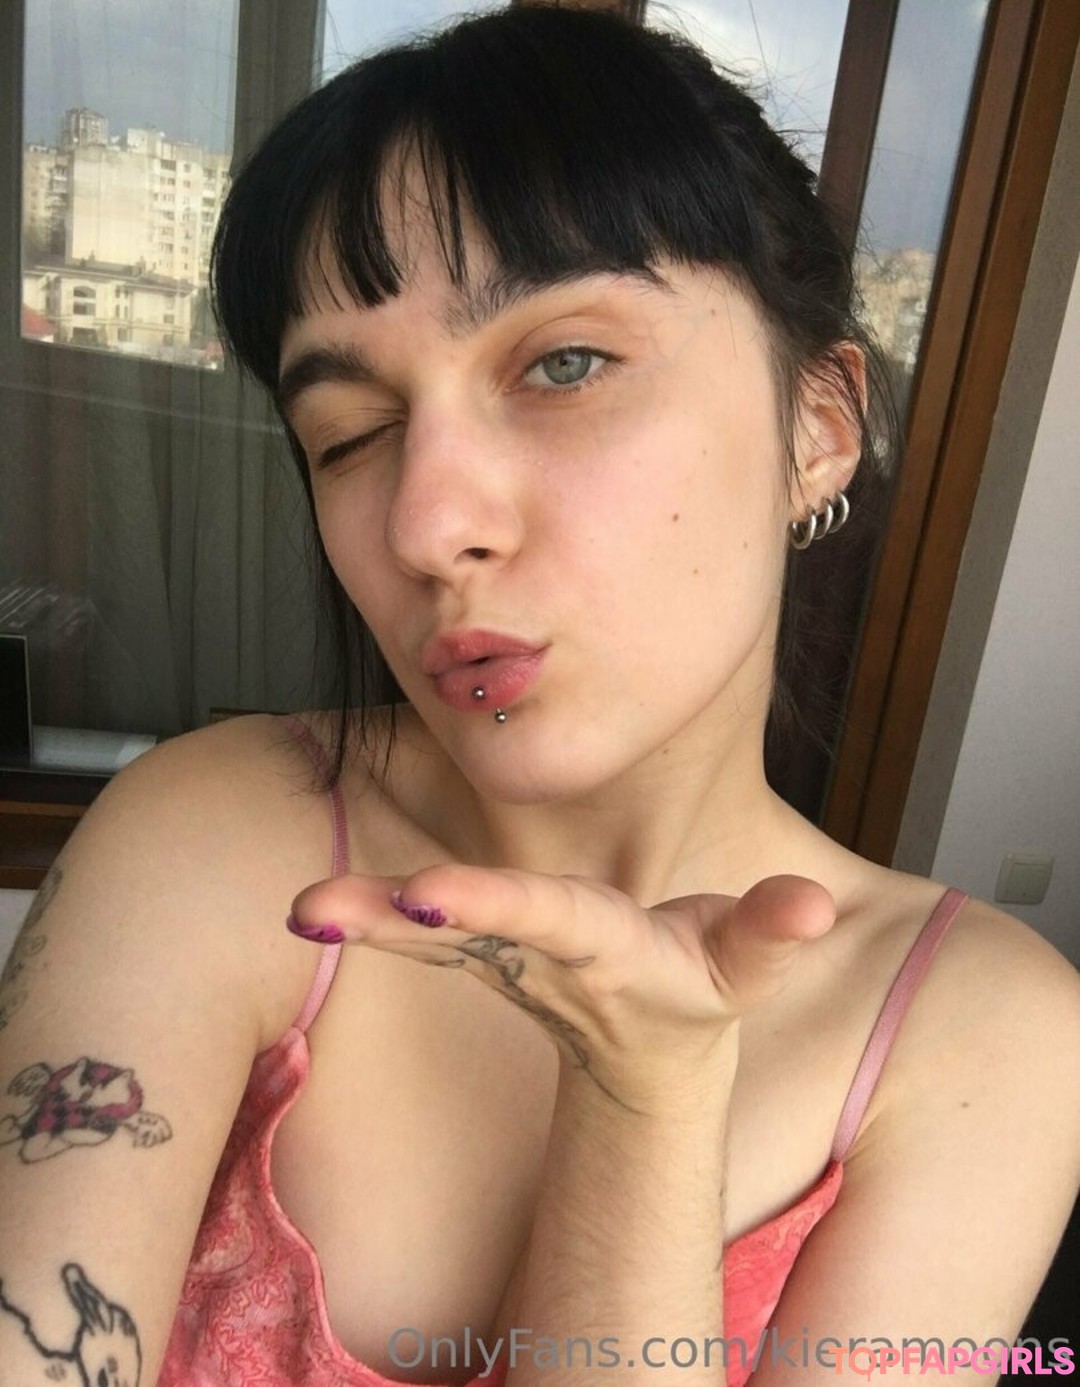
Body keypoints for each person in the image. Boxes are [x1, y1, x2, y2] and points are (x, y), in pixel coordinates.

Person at [1, 6, 1077, 1385]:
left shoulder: (979, 1031)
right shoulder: (216, 837)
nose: (426, 524)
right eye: (351, 434)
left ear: (817, 428)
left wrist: (648, 1098)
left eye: (565, 364)